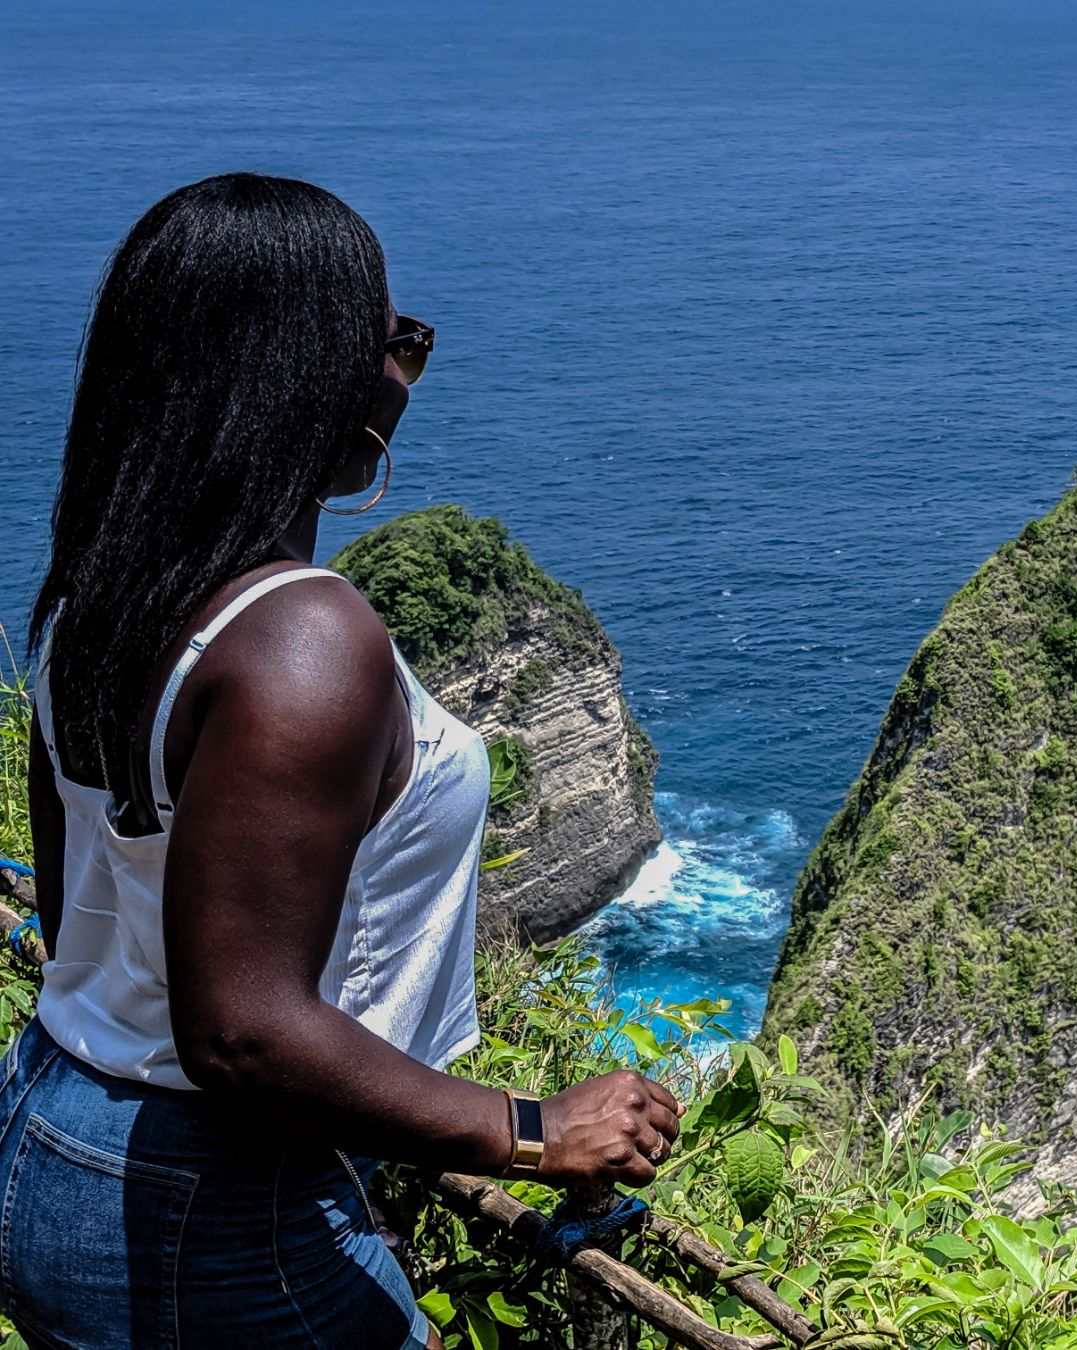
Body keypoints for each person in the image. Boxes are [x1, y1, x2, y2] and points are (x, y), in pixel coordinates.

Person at [0, 172, 680, 1349]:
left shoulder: (95, 597)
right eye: (395, 341)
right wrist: (534, 1126)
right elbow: (242, 1029)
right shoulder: (305, 640)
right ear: (306, 373)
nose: (403, 376)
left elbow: (79, 912)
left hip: (47, 1127)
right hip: (204, 1198)